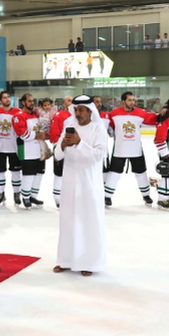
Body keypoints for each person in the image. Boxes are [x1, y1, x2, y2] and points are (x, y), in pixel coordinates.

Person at [53, 95, 108, 276]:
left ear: (90, 111)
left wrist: (79, 143)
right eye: (76, 109)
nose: (78, 113)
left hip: (89, 183)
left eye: (81, 109)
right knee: (68, 220)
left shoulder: (98, 129)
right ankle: (65, 260)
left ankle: (89, 262)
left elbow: (99, 155)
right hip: (69, 182)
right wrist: (62, 144)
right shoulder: (70, 126)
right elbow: (58, 156)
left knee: (88, 221)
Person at [104, 91, 158, 207]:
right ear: (123, 101)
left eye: (133, 100)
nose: (132, 102)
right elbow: (111, 129)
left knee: (141, 172)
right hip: (120, 149)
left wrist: (164, 113)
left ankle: (146, 195)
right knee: (114, 173)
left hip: (136, 149)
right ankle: (107, 196)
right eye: (129, 100)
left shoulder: (141, 113)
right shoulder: (114, 113)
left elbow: (154, 119)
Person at [12, 93, 47, 209]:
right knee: (29, 174)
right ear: (23, 102)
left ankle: (33, 196)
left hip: (38, 149)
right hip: (26, 150)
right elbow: (22, 134)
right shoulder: (18, 116)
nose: (32, 103)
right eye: (29, 101)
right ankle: (25, 197)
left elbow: (41, 128)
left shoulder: (36, 115)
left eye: (33, 101)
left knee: (39, 173)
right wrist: (38, 135)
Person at [0, 90, 22, 207]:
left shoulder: (17, 112)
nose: (7, 99)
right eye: (4, 97)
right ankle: (0, 194)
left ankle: (16, 194)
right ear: (0, 101)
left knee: (15, 172)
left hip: (13, 147)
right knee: (0, 172)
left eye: (8, 97)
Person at [48, 96, 73, 207]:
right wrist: (59, 146)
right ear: (63, 104)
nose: (71, 103)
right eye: (69, 101)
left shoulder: (77, 116)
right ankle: (58, 197)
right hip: (61, 148)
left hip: (74, 150)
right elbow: (54, 134)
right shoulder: (59, 116)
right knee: (59, 173)